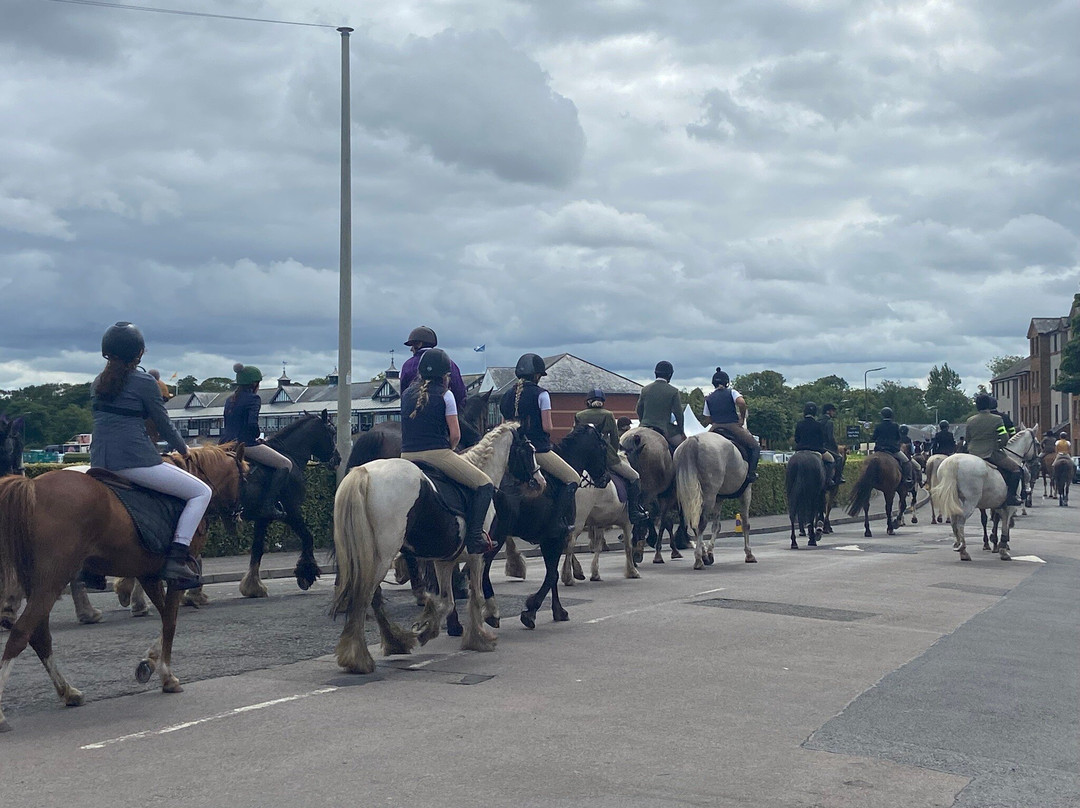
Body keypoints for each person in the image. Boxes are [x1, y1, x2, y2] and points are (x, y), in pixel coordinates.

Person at [90, 322, 208, 589]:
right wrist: (184, 449)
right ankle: (178, 556)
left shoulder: (97, 382)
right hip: (134, 462)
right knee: (201, 493)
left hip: (99, 462)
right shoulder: (144, 382)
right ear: (138, 354)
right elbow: (163, 423)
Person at [400, 348, 494, 554]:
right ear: (445, 375)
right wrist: (451, 450)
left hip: (405, 456)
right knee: (485, 484)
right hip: (437, 455)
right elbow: (456, 435)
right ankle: (474, 537)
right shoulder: (446, 395)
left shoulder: (407, 394)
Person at [500, 352, 581, 532]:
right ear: (537, 376)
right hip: (538, 450)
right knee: (573, 478)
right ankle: (558, 522)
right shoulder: (542, 394)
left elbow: (503, 427)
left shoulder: (506, 395)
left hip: (511, 452)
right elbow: (547, 427)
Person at [219, 363, 293, 520]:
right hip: (244, 444)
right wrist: (256, 437)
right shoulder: (254, 398)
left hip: (224, 444)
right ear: (254, 384)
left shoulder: (229, 400)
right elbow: (252, 424)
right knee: (286, 464)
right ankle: (268, 506)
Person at [574, 388, 647, 524]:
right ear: (602, 402)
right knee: (634, 477)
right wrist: (611, 454)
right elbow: (614, 439)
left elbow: (574, 437)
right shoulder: (608, 415)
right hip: (606, 458)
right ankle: (634, 512)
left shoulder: (579, 416)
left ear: (588, 402)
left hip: (583, 459)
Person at [702, 368, 760, 483]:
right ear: (727, 382)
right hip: (732, 426)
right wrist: (742, 418)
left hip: (715, 427)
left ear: (713, 383)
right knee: (755, 447)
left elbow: (708, 419)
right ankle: (751, 474)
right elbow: (742, 402)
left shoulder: (708, 398)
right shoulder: (732, 392)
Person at [965, 393, 1023, 506]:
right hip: (991, 453)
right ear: (989, 405)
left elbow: (968, 438)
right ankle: (1011, 497)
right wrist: (999, 445)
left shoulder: (970, 420)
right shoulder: (997, 419)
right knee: (1016, 470)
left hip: (972, 453)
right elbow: (1004, 437)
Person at [398, 325, 467, 407]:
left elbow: (404, 396)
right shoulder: (450, 363)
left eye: (412, 345)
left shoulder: (408, 365)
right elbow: (460, 394)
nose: (411, 349)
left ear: (419, 344)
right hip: (445, 415)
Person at [636, 361, 684, 451]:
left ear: (655, 373)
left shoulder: (645, 389)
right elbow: (679, 414)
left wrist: (643, 422)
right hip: (664, 428)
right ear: (670, 375)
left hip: (644, 426)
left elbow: (638, 409)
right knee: (683, 448)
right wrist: (681, 430)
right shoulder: (673, 391)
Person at [871, 407, 913, 487]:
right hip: (893, 450)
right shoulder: (895, 426)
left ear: (882, 416)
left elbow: (873, 438)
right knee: (907, 462)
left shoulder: (878, 426)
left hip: (879, 449)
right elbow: (898, 438)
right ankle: (907, 478)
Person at [794, 402, 834, 483]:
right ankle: (829, 481)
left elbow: (796, 439)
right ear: (815, 412)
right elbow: (822, 440)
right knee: (831, 460)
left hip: (800, 450)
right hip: (816, 450)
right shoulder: (818, 425)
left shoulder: (799, 424)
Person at [819, 403, 846, 485]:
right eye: (832, 411)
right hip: (826, 447)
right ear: (828, 411)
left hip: (817, 445)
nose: (833, 413)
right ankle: (838, 478)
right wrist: (835, 447)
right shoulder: (829, 422)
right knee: (839, 458)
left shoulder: (818, 421)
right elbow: (830, 437)